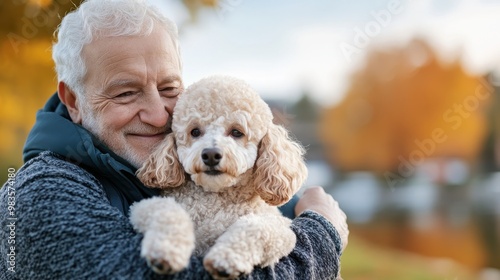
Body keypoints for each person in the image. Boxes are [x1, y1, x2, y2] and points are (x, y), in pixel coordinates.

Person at [0, 0, 349, 279]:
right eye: (126, 93)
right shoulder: (39, 195)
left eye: (169, 88)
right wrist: (321, 234)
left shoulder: (205, 169)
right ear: (74, 101)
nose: (159, 115)